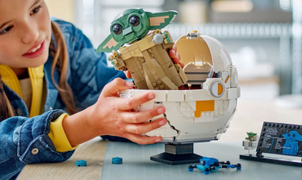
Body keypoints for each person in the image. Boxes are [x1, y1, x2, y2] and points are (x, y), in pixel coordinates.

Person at [0, 0, 182, 179]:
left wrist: (155, 76)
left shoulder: (66, 40)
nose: (32, 34)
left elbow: (109, 101)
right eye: (6, 29)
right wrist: (85, 125)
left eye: (35, 9)